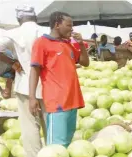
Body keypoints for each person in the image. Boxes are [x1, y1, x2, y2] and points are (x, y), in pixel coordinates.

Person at [29, 11, 90, 148]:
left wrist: (81, 44)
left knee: (67, 141)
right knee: (56, 146)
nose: (72, 29)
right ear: (57, 25)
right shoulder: (41, 43)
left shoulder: (68, 44)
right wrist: (32, 97)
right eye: (69, 25)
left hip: (73, 100)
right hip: (58, 102)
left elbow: (85, 63)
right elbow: (35, 70)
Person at [0, 5, 46, 157]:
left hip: (24, 85)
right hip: (48, 85)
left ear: (19, 19)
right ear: (36, 17)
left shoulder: (12, 34)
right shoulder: (46, 32)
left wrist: (12, 62)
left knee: (29, 126)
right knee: (50, 124)